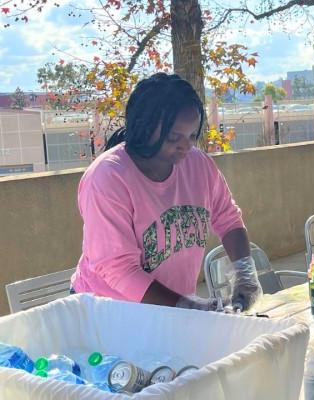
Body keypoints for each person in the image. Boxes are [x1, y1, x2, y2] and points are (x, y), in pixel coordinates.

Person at [71, 73, 262, 312]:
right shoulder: (109, 177)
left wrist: (245, 272)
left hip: (169, 310)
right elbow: (119, 269)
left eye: (192, 136)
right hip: (111, 313)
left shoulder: (198, 165)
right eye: (174, 137)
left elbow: (228, 218)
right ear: (145, 127)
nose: (186, 146)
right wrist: (186, 306)